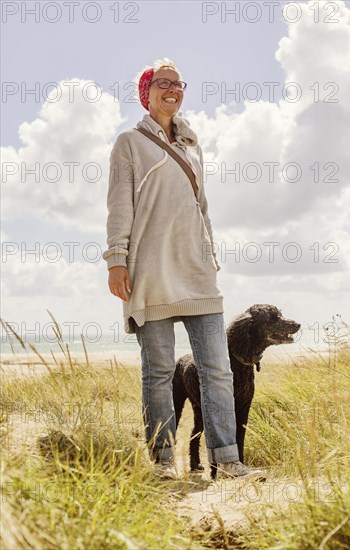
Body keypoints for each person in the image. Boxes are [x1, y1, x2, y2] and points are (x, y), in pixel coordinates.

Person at [102, 58, 266, 480]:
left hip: (196, 269)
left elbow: (202, 207)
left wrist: (210, 253)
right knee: (158, 371)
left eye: (178, 83)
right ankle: (161, 464)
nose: (171, 89)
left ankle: (227, 460)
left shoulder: (193, 144)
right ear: (147, 91)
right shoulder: (129, 142)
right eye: (162, 83)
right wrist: (116, 260)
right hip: (150, 271)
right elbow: (119, 205)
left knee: (218, 368)